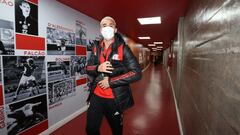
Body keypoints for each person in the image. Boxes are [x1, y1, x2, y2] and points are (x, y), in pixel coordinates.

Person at [86, 16, 142, 135]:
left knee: (116, 131)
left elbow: (136, 73)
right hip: (96, 96)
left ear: (115, 29)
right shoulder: (96, 47)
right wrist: (97, 68)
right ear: (100, 30)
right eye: (104, 25)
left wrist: (111, 82)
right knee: (90, 129)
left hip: (115, 98)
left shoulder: (123, 48)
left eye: (111, 25)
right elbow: (88, 68)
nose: (107, 28)